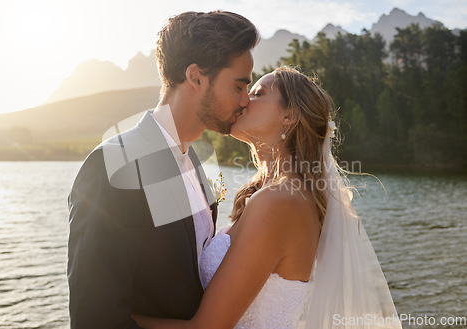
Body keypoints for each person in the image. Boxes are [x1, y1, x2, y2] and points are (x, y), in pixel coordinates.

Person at [132, 67, 401, 329]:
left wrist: (108, 314)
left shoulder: (280, 201)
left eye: (259, 93)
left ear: (289, 116)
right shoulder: (274, 192)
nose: (244, 100)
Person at [67, 11, 259, 329]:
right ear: (196, 77)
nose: (246, 101)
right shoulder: (113, 167)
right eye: (239, 86)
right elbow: (95, 318)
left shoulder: (196, 164)